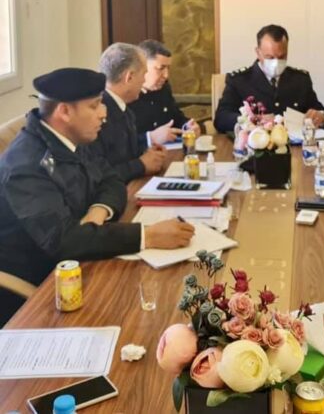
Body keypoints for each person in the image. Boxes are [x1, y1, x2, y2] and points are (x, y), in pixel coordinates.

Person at [0, 68, 195, 325]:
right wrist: (147, 236)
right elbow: (63, 241)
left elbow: (111, 180)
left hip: (86, 255)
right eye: (94, 105)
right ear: (64, 112)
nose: (104, 113)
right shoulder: (25, 165)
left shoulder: (72, 138)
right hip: (40, 289)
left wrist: (98, 211)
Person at [214, 24, 324, 132]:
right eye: (270, 57)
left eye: (282, 57)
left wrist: (322, 117)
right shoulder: (239, 80)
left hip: (294, 146)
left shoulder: (300, 80)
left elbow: (322, 113)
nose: (276, 63)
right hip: (255, 145)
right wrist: (250, 120)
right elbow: (221, 118)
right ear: (258, 52)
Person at [88, 42, 167, 183]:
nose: (144, 80)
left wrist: (148, 153)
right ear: (129, 77)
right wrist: (141, 165)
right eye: (143, 74)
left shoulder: (124, 109)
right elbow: (97, 175)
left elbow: (126, 154)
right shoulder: (96, 115)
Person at [129, 39, 201, 140]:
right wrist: (150, 138)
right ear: (142, 67)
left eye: (168, 68)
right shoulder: (126, 95)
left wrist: (188, 127)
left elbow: (176, 118)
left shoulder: (164, 88)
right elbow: (120, 141)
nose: (166, 75)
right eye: (161, 68)